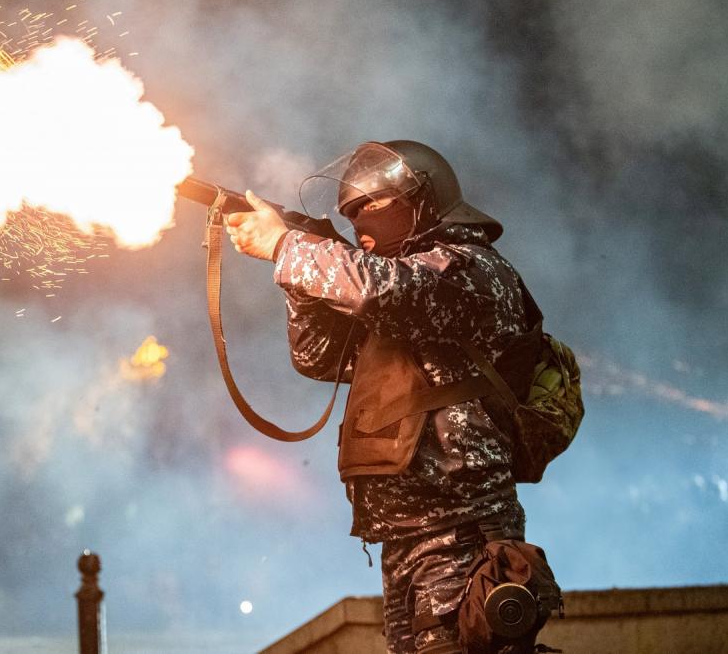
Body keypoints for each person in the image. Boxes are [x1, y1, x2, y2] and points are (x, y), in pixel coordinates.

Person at [226, 141, 533, 654]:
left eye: (371, 206)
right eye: (350, 214)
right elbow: (318, 356)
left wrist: (288, 248)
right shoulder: (396, 293)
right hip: (404, 540)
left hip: (463, 534)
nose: (359, 222)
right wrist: (301, 279)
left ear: (424, 200)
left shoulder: (473, 270)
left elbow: (381, 290)